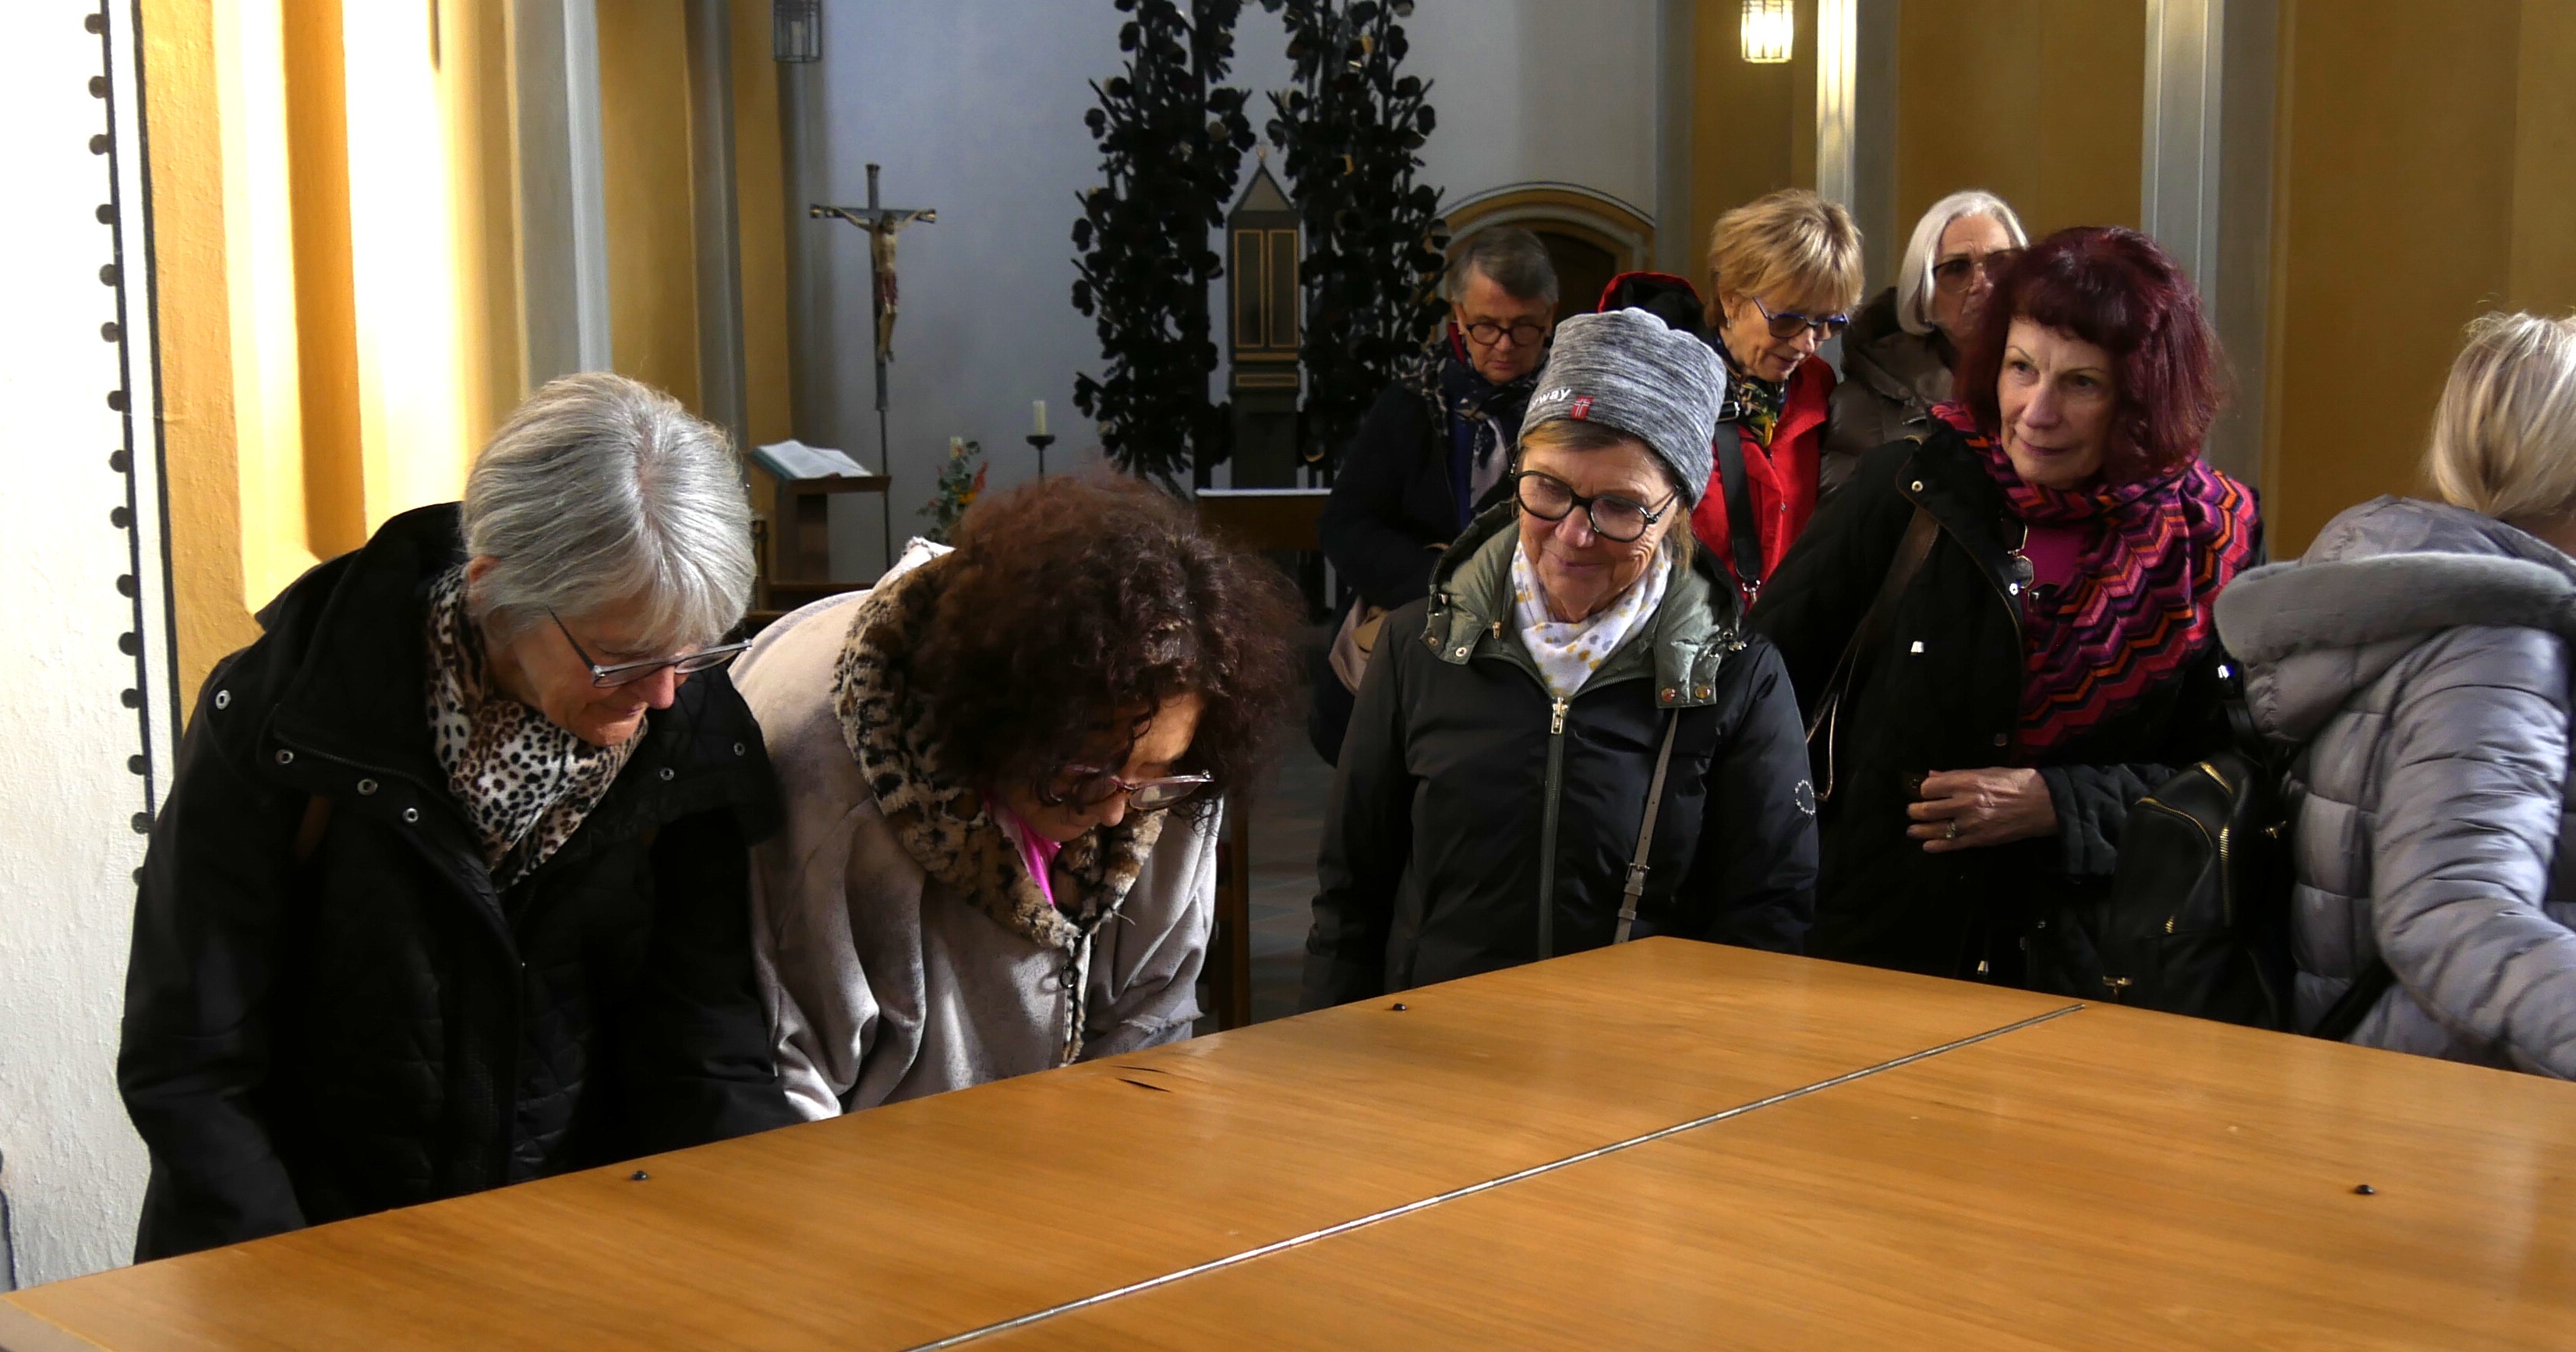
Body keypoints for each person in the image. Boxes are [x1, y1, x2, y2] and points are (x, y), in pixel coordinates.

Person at [120, 375, 783, 1259]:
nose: (662, 695)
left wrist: (759, 1246)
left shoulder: (688, 729)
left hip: (569, 1263)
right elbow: (192, 1057)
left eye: (692, 652)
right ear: (494, 590)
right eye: (620, 658)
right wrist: (284, 1284)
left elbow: (702, 1046)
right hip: (307, 1251)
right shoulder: (293, 718)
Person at [2215, 315, 2576, 1110]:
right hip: (2476, 1115)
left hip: (2427, 1093)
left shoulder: (2417, 610)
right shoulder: (2496, 647)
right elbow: (2448, 907)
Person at [1756, 225, 2260, 984]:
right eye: (2021, 368)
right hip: (1875, 951)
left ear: (2142, 399)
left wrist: (2061, 802)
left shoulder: (2212, 541)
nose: (2035, 411)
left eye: (2081, 384)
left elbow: (2235, 775)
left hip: (2095, 972)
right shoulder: (1911, 487)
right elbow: (1757, 693)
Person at [740, 476, 1298, 1115]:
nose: (1116, 809)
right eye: (1083, 773)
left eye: (1151, 772)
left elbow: (1153, 1023)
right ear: (1004, 722)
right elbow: (796, 1084)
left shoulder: (1169, 766)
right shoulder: (829, 787)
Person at [1306, 308, 1817, 1001]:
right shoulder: (1420, 645)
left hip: (1642, 1054)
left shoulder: (1738, 677)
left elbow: (1766, 920)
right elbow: (1350, 897)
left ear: (1678, 511)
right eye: (1548, 488)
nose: (1574, 535)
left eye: (1620, 506)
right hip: (1435, 1044)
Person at [1311, 228, 1560, 757]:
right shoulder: (1412, 401)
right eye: (1486, 326)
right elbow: (1346, 525)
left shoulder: (1573, 410)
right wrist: (1445, 583)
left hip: (1540, 637)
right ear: (1458, 316)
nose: (1504, 345)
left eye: (1524, 328)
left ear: (1550, 317)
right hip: (1422, 630)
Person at [1683, 189, 1864, 609]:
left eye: (1827, 324)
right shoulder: (1672, 389)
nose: (1807, 344)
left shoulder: (1818, 386)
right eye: (1787, 320)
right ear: (1731, 298)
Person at [1833, 190, 2026, 463]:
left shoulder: (2055, 382)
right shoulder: (1861, 408)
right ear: (1924, 297)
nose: (1983, 284)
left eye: (2000, 263)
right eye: (1957, 269)